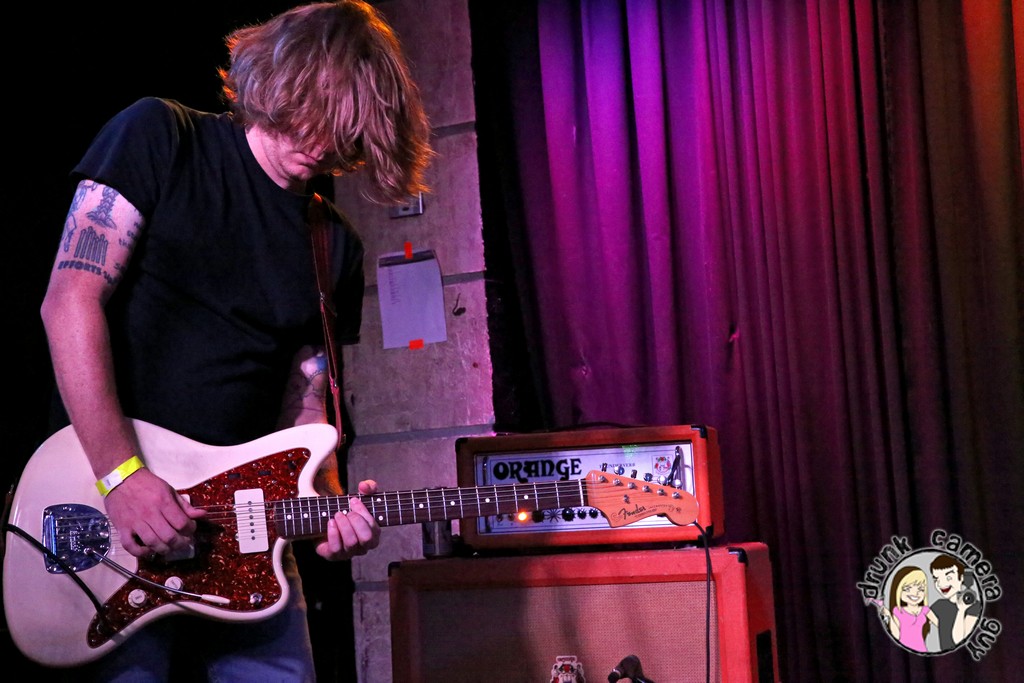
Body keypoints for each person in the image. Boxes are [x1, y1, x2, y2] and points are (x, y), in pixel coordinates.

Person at [38, 1, 432, 680]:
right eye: (312, 112)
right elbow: (69, 301)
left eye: (345, 132)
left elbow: (304, 403)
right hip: (113, 510)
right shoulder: (161, 136)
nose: (322, 145)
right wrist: (122, 476)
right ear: (280, 78)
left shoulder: (332, 244)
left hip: (248, 535)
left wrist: (325, 500)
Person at [877, 565, 938, 652]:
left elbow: (941, 625)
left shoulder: (925, 610)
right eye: (907, 588)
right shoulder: (897, 611)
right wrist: (889, 616)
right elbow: (896, 635)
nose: (915, 593)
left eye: (921, 589)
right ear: (898, 590)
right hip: (903, 651)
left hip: (921, 649)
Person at [929, 554, 983, 651]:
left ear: (961, 578)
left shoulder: (974, 606)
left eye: (949, 578)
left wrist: (961, 610)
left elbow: (958, 641)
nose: (941, 584)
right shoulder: (939, 605)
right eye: (936, 579)